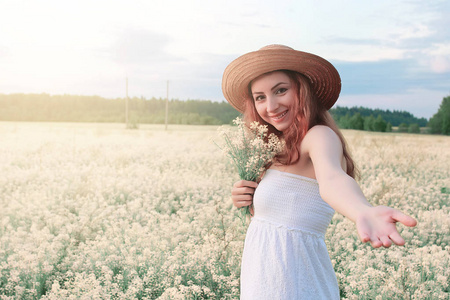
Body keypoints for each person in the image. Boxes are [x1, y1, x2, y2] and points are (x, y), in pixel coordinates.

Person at [221, 45, 417, 299]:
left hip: (295, 283)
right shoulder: (271, 151)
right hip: (262, 280)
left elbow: (333, 179)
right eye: (259, 97)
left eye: (281, 90)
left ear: (302, 90)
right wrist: (246, 198)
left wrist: (362, 211)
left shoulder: (318, 136)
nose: (270, 106)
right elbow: (280, 217)